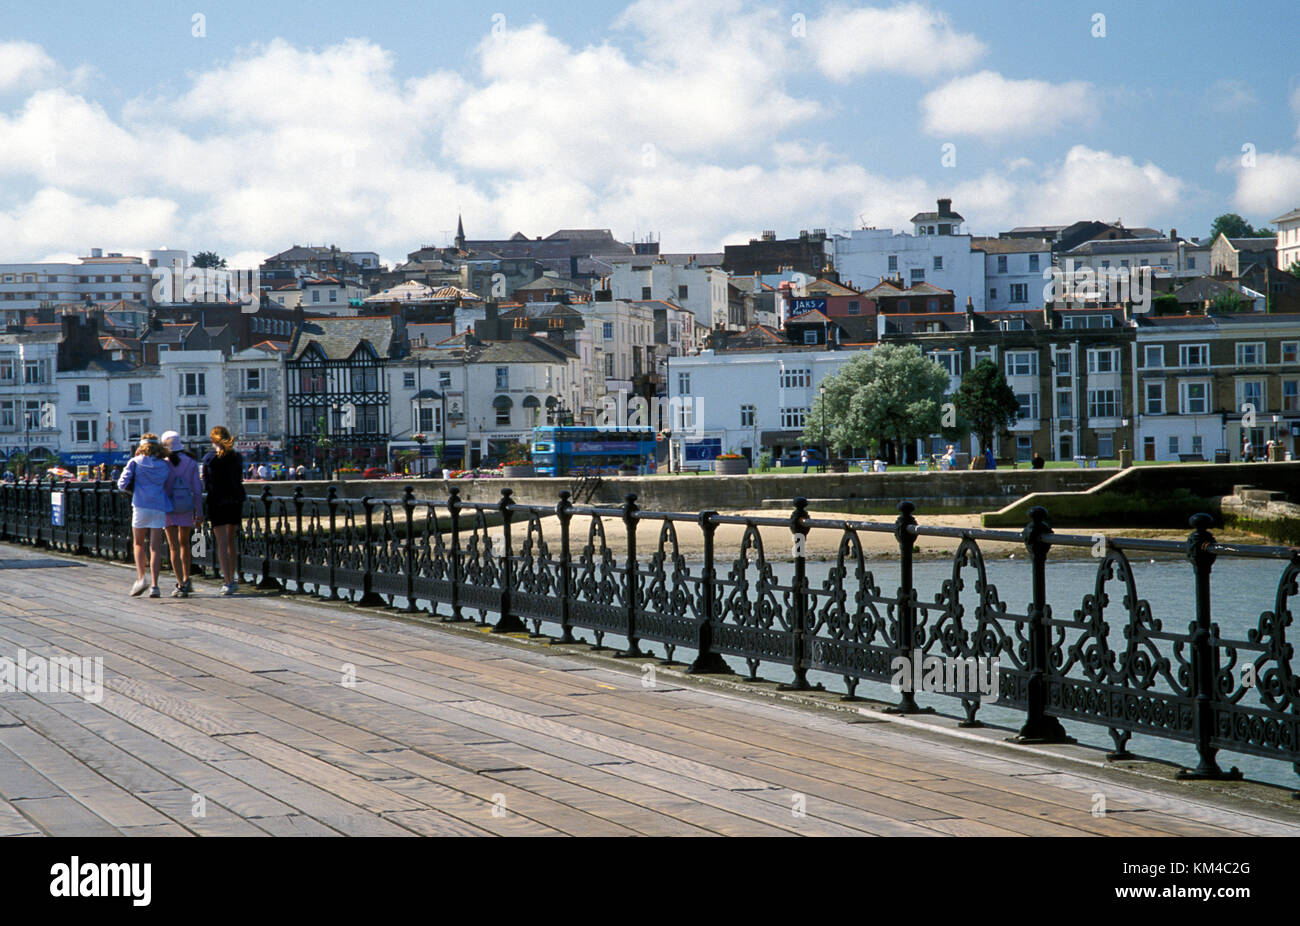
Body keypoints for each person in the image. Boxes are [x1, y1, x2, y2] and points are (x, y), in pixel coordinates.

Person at [117, 433, 176, 598]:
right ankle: (155, 586)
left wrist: (136, 487)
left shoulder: (134, 462)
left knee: (138, 544)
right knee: (155, 547)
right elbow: (167, 483)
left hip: (140, 505)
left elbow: (121, 484)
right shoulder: (164, 465)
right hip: (158, 506)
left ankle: (141, 578)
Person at [202, 425, 247, 596]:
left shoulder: (209, 458)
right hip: (235, 500)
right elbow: (238, 477)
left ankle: (227, 580)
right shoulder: (236, 457)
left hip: (217, 501)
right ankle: (233, 578)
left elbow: (206, 484)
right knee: (231, 541)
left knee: (220, 542)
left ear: (213, 440)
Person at [161, 431, 203, 598]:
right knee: (185, 544)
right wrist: (199, 512)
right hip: (186, 506)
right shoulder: (191, 462)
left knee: (173, 547)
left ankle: (180, 583)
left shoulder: (162, 463)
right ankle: (187, 577)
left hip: (168, 507)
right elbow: (197, 490)